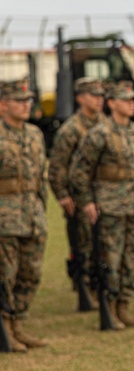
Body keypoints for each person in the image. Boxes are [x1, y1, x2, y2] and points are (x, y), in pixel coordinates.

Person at [69, 81, 134, 330]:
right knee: (110, 261)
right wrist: (87, 202)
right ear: (112, 103)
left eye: (133, 100)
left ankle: (124, 306)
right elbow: (78, 172)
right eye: (125, 100)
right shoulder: (99, 134)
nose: (131, 104)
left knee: (133, 258)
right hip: (110, 205)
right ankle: (109, 308)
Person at [0, 82, 49, 351]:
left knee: (31, 272)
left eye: (28, 100)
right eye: (18, 101)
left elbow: (40, 175)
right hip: (4, 216)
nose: (25, 105)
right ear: (3, 105)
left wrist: (42, 206)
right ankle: (5, 327)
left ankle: (18, 324)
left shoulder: (35, 134)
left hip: (32, 214)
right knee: (6, 274)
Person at [49, 77, 108, 292]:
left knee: (103, 242)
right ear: (81, 99)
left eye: (101, 96)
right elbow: (58, 166)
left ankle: (99, 283)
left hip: (105, 193)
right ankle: (83, 285)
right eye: (94, 96)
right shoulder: (71, 130)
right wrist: (62, 194)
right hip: (80, 196)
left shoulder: (105, 124)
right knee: (83, 243)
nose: (99, 100)